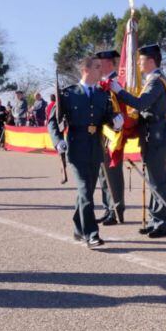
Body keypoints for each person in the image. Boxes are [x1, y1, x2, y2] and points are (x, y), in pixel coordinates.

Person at [47, 55, 123, 248]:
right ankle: (91, 234)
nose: (101, 70)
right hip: (76, 147)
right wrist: (58, 142)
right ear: (86, 70)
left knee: (86, 190)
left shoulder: (101, 94)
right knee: (84, 190)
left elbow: (107, 117)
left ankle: (78, 228)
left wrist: (116, 122)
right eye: (97, 67)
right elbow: (52, 122)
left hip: (95, 147)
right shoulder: (69, 94)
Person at [110, 44, 166, 238]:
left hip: (156, 134)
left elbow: (141, 103)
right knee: (153, 181)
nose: (138, 63)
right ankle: (156, 220)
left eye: (141, 59)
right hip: (151, 133)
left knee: (158, 181)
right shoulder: (153, 80)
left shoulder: (156, 81)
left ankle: (162, 223)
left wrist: (119, 91)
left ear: (151, 60)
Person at [93, 49, 126, 225]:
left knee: (113, 173)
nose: (98, 65)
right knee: (103, 174)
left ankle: (117, 209)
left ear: (109, 63)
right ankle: (108, 208)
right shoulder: (101, 83)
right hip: (101, 134)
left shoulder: (117, 82)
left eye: (101, 62)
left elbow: (122, 108)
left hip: (114, 135)